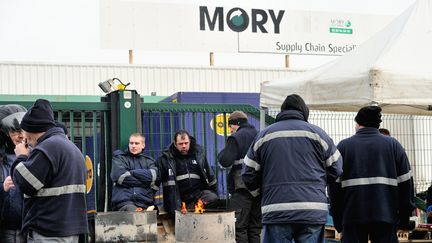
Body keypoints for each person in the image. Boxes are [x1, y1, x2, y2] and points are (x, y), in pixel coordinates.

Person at [242, 94, 343, 243]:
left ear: (282, 112)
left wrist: (262, 192)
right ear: (304, 112)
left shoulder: (264, 136)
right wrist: (317, 184)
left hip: (276, 209)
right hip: (312, 209)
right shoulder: (319, 135)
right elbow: (336, 168)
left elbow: (248, 173)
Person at [329, 106, 415, 243]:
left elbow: (334, 187)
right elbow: (406, 184)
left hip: (353, 217)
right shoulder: (393, 145)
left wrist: (338, 220)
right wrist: (404, 218)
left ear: (358, 123)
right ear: (377, 124)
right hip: (386, 216)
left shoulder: (344, 147)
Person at [11, 99, 88, 242]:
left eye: (24, 132)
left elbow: (25, 184)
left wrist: (21, 157)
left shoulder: (48, 148)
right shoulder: (71, 148)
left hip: (48, 231)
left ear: (32, 130)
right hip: (69, 230)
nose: (24, 138)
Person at [217, 111, 261, 243]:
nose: (230, 130)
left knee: (239, 227)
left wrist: (222, 152)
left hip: (242, 188)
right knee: (255, 228)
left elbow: (225, 160)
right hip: (259, 189)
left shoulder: (236, 137)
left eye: (230, 127)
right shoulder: (259, 135)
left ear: (236, 124)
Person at [156, 130, 218, 216]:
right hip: (178, 199)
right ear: (175, 144)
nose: (184, 146)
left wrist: (214, 192)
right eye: (180, 144)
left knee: (212, 198)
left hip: (197, 196)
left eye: (186, 143)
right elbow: (156, 181)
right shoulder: (166, 159)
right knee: (177, 213)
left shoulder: (198, 155)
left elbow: (210, 176)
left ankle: (197, 215)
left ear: (189, 141)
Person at [111, 133, 158, 211]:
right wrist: (144, 182)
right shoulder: (120, 158)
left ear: (143, 145)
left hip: (145, 203)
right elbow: (120, 177)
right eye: (131, 143)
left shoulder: (149, 161)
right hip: (124, 203)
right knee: (134, 212)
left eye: (136, 143)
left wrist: (132, 172)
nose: (133, 146)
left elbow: (153, 177)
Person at [0, 104, 27, 243]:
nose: (21, 135)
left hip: (27, 229)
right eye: (14, 131)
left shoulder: (33, 156)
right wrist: (2, 188)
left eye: (22, 130)